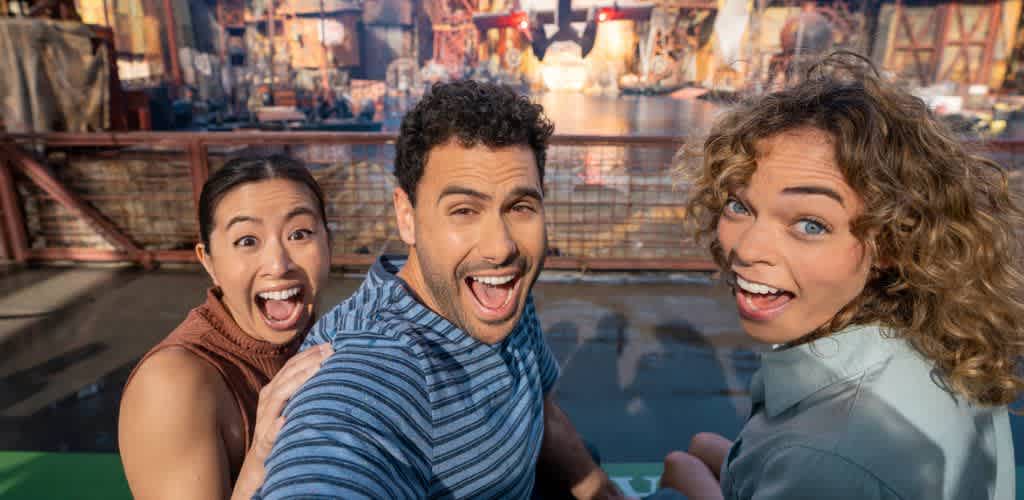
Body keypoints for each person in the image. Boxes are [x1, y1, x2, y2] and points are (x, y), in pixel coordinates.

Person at [658, 52, 1022, 499]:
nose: (747, 249)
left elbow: (824, 467)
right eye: (739, 206)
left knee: (679, 470)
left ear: (891, 241)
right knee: (698, 450)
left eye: (810, 225)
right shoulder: (939, 339)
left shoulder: (828, 460)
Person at [255, 80, 622, 499]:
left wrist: (600, 490)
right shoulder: (373, 363)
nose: (501, 247)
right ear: (406, 217)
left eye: (520, 207)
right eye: (464, 210)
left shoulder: (498, 293)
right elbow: (335, 450)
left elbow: (537, 406)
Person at [118, 155, 334, 500]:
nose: (278, 265)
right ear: (209, 261)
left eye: (300, 234)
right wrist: (261, 455)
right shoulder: (173, 383)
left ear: (328, 243)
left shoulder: (326, 335)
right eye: (247, 241)